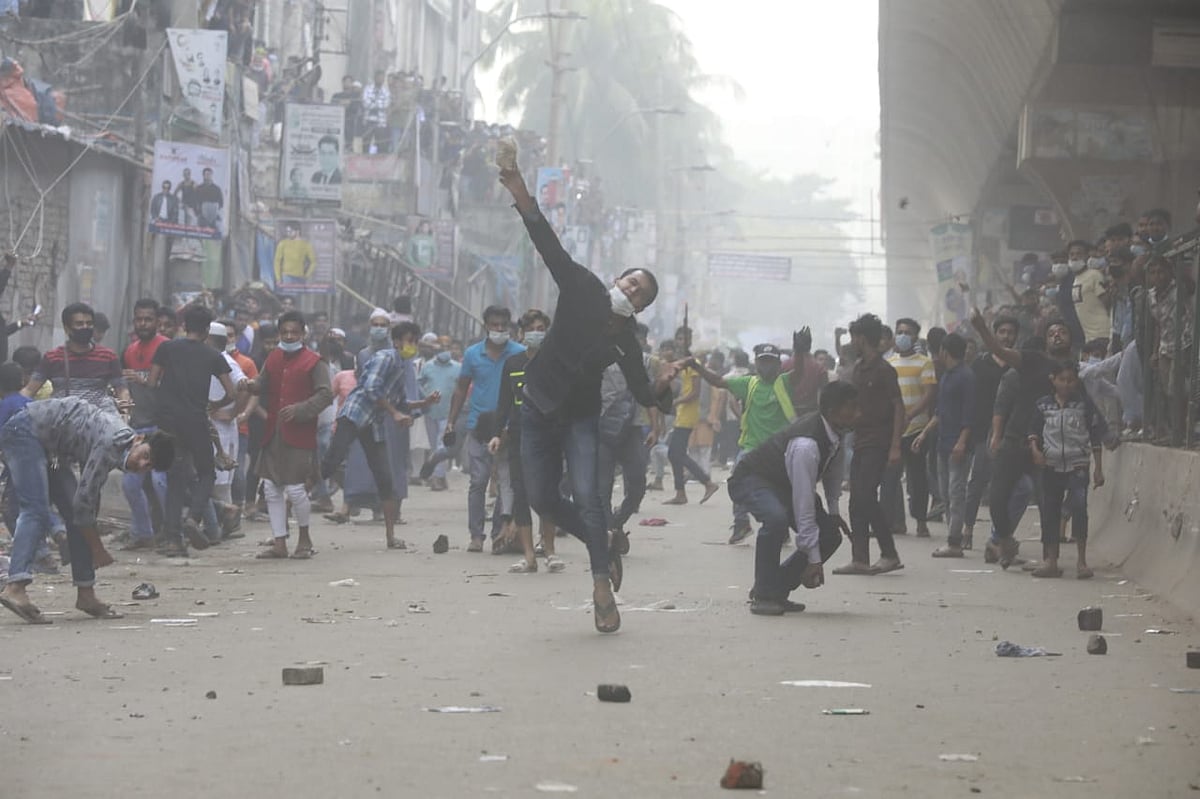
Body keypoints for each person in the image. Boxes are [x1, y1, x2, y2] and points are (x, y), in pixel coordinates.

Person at [499, 163, 673, 634]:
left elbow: (643, 390)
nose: (631, 290)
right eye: (631, 281)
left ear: (639, 308)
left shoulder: (627, 343)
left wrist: (663, 390)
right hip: (536, 407)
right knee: (541, 499)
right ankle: (607, 546)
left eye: (640, 293)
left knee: (591, 500)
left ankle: (600, 588)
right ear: (618, 280)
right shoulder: (581, 288)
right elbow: (547, 243)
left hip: (579, 419)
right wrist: (519, 191)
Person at [0, 397, 174, 624]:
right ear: (138, 439)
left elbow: (84, 507)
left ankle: (86, 594)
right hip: (25, 430)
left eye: (148, 466)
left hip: (50, 446)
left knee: (77, 518)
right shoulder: (110, 445)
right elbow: (84, 505)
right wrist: (98, 549)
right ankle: (15, 588)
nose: (142, 465)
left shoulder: (121, 439)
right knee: (36, 510)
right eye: (145, 456)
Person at [727, 381, 858, 616]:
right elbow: (803, 505)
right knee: (776, 520)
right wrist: (814, 560)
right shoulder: (806, 446)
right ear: (832, 411)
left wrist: (834, 513)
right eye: (851, 408)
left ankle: (774, 588)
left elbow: (833, 475)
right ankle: (764, 595)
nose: (857, 413)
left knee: (829, 533)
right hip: (753, 478)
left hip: (783, 484)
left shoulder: (835, 433)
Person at [970, 309, 1078, 568]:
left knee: (1047, 502)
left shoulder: (1075, 375)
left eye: (1062, 332)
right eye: (1052, 333)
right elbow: (1000, 351)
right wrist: (982, 328)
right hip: (1015, 439)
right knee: (996, 497)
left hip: (1048, 446)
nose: (1057, 337)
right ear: (1045, 338)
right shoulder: (1032, 360)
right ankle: (1005, 540)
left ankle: (1049, 560)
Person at [320, 323, 437, 550]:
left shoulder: (404, 365)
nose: (412, 345)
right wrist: (394, 414)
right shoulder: (386, 358)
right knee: (331, 462)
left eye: (415, 341)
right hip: (355, 415)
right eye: (409, 340)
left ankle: (391, 536)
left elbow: (400, 401)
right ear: (396, 341)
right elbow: (372, 389)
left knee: (385, 477)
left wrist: (424, 402)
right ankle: (296, 498)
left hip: (373, 424)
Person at [241, 311, 332, 559]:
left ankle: (304, 538)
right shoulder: (273, 357)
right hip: (273, 433)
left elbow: (325, 394)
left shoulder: (315, 362)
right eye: (285, 332)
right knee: (271, 488)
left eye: (294, 332)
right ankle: (279, 541)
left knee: (295, 490)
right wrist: (249, 385)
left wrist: (302, 409)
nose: (289, 336)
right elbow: (262, 382)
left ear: (303, 334)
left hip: (300, 434)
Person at [150, 305, 239, 557]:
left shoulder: (166, 347)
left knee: (175, 479)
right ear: (208, 329)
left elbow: (152, 381)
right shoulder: (212, 355)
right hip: (196, 421)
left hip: (168, 423)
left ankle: (172, 540)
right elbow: (232, 392)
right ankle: (193, 517)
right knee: (206, 474)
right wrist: (215, 405)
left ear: (184, 325)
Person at [689, 342, 799, 544]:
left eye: (771, 362)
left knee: (781, 490)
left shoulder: (786, 382)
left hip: (779, 451)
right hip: (751, 448)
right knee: (738, 482)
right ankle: (741, 523)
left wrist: (801, 351)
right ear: (755, 363)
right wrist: (697, 367)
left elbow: (802, 372)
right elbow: (718, 381)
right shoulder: (749, 384)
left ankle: (781, 527)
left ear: (778, 365)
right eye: (763, 362)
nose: (766, 367)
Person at [444, 306, 525, 551]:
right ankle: (476, 535)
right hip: (478, 426)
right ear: (486, 326)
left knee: (506, 483)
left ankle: (500, 532)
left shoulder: (519, 353)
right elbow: (461, 387)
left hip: (509, 428)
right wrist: (451, 420)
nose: (499, 329)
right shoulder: (472, 354)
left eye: (503, 325)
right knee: (478, 481)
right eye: (494, 325)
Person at [489, 309, 563, 574]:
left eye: (542, 328)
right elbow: (504, 404)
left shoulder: (556, 363)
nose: (536, 333)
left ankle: (550, 551)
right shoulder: (513, 364)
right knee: (521, 494)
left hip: (549, 435)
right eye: (532, 329)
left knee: (547, 494)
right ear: (521, 334)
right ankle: (529, 556)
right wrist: (497, 433)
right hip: (519, 436)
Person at [833, 313, 905, 576]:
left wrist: (896, 445)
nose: (852, 342)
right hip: (860, 440)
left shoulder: (885, 370)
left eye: (854, 337)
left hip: (879, 441)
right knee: (856, 501)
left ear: (861, 338)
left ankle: (889, 553)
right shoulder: (858, 370)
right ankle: (860, 558)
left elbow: (899, 407)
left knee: (865, 496)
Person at [1028, 361, 1106, 579]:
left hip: (1078, 464)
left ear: (1076, 381)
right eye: (1062, 379)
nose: (1066, 384)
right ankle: (1051, 560)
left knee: (1080, 509)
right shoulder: (1042, 405)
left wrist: (1098, 468)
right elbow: (1033, 431)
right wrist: (1035, 451)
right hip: (1051, 464)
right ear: (1053, 380)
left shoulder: (1084, 405)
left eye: (1070, 380)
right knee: (1050, 511)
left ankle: (1082, 561)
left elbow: (1095, 436)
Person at [913, 333, 975, 556]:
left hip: (958, 445)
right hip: (943, 443)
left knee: (956, 492)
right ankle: (953, 534)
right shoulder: (947, 377)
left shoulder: (966, 377)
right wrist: (924, 433)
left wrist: (962, 441)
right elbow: (940, 411)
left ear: (944, 352)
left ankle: (955, 540)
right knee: (946, 493)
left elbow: (970, 415)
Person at [119, 299, 170, 551]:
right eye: (139, 319)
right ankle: (143, 533)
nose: (143, 323)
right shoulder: (129, 351)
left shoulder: (167, 348)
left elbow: (173, 386)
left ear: (157, 321)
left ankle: (172, 532)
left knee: (162, 483)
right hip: (138, 427)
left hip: (162, 426)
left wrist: (141, 379)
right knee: (130, 484)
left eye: (148, 319)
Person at [964, 315, 1017, 546]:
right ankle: (967, 530)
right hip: (983, 432)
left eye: (1010, 332)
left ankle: (1000, 535)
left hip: (1011, 432)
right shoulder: (980, 363)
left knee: (1005, 486)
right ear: (994, 335)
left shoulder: (1019, 363)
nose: (1006, 336)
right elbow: (972, 399)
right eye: (1002, 332)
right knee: (977, 483)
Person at [885, 318, 936, 537]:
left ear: (915, 337)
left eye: (907, 332)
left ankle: (921, 520)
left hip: (916, 429)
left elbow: (929, 394)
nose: (902, 335)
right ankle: (896, 522)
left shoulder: (924, 363)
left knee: (917, 479)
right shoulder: (890, 363)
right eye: (900, 332)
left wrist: (910, 415)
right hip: (894, 430)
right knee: (891, 478)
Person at [663, 326, 720, 506]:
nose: (682, 342)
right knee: (674, 454)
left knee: (676, 453)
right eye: (679, 339)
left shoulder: (693, 363)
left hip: (688, 413)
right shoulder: (682, 362)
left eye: (685, 339)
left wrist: (677, 402)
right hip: (682, 413)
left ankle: (707, 482)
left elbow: (695, 392)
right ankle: (681, 492)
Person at [418, 340, 460, 491]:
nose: (445, 350)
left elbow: (463, 387)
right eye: (442, 347)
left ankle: (436, 477)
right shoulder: (428, 366)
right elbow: (419, 384)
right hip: (430, 411)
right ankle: (440, 476)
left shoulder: (457, 368)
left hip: (449, 412)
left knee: (442, 445)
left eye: (447, 347)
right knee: (434, 446)